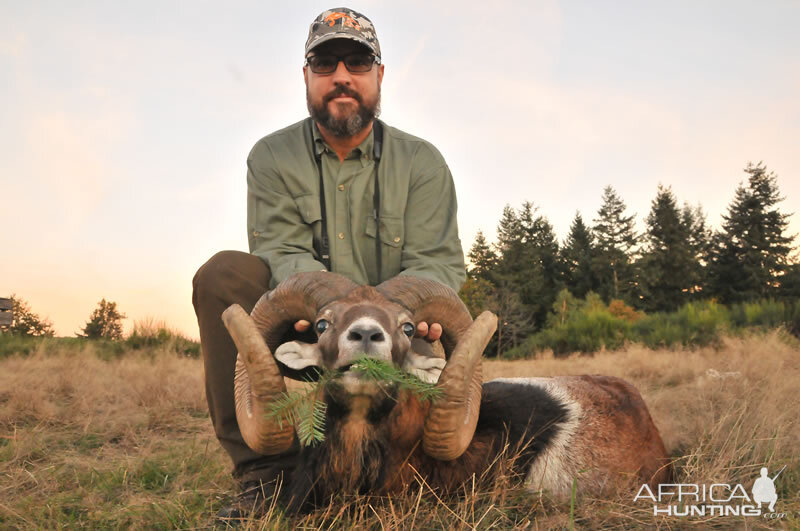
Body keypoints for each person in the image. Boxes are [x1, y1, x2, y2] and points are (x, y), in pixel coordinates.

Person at [192, 7, 466, 519]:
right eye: (325, 63)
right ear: (306, 77)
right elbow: (277, 248)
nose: (341, 76)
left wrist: (385, 312)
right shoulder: (271, 157)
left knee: (437, 319)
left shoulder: (422, 163)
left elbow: (437, 262)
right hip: (311, 330)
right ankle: (264, 475)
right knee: (223, 275)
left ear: (379, 75)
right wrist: (336, 313)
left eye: (357, 62)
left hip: (395, 334)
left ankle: (406, 458)